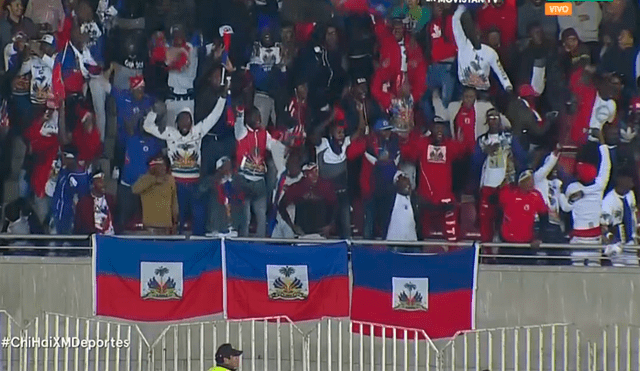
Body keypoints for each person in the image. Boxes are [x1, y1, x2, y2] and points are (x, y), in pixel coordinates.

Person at [142, 80, 227, 234]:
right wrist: (154, 111)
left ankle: (199, 246)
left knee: (199, 220)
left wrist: (222, 98)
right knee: (177, 220)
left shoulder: (198, 132)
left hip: (195, 185)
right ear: (177, 122)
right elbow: (147, 126)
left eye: (188, 119)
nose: (185, 122)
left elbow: (214, 117)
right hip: (176, 186)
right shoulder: (170, 133)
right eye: (182, 119)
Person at [400, 118, 469, 241]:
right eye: (436, 127)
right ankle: (419, 255)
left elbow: (463, 150)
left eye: (442, 127)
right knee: (419, 232)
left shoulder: (450, 144)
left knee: (452, 233)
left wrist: (463, 136)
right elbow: (407, 153)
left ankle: (452, 256)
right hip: (425, 197)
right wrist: (409, 137)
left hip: (445, 197)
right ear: (431, 129)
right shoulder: (422, 143)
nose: (439, 130)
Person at [472, 109, 527, 243]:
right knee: (486, 224)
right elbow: (474, 164)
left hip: (506, 185)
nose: (494, 120)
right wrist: (486, 152)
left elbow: (522, 157)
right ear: (487, 121)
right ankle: (487, 256)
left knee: (506, 221)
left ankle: (504, 253)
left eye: (496, 117)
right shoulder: (482, 140)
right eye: (490, 117)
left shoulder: (509, 138)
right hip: (487, 186)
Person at [234, 106, 286, 237]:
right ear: (247, 118)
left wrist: (286, 146)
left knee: (261, 216)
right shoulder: (242, 132)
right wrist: (240, 112)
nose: (258, 119)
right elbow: (238, 123)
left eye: (259, 116)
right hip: (244, 180)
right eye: (255, 116)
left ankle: (260, 244)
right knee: (245, 218)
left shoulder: (263, 133)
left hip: (259, 181)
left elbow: (273, 145)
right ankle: (243, 245)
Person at [563, 144, 611, 266]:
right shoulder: (598, 186)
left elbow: (566, 208)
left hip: (586, 238)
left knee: (584, 273)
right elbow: (606, 166)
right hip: (586, 238)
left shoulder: (574, 188)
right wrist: (603, 146)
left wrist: (572, 199)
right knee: (587, 275)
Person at [452, 5, 512, 93]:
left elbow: (501, 73)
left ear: (479, 33)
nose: (474, 33)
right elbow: (455, 22)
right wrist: (462, 7)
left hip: (483, 91)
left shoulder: (490, 52)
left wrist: (508, 86)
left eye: (475, 31)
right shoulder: (463, 44)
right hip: (464, 88)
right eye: (470, 30)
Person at [498, 170, 549, 264]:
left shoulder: (536, 196)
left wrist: (539, 237)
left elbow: (544, 218)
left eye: (532, 180)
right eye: (529, 180)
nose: (532, 183)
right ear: (521, 182)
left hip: (527, 244)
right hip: (508, 244)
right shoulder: (508, 193)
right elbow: (497, 212)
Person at [278, 163, 338, 237]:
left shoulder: (325, 186)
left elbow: (336, 206)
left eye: (316, 171)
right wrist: (292, 226)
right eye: (311, 173)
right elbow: (281, 206)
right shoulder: (297, 188)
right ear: (305, 174)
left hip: (322, 233)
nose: (314, 175)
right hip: (302, 234)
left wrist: (330, 226)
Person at [132, 155, 179, 235]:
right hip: (150, 226)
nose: (163, 168)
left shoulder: (170, 180)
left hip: (166, 226)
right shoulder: (145, 179)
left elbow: (174, 203)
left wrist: (175, 222)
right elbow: (135, 189)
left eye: (164, 165)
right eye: (160, 166)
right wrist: (154, 179)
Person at [601, 170, 639, 267]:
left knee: (634, 273)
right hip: (617, 245)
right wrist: (611, 240)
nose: (632, 182)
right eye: (630, 179)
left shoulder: (630, 195)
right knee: (619, 273)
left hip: (631, 243)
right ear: (621, 180)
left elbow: (633, 215)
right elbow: (603, 227)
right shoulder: (608, 201)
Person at [49, 145, 90, 235]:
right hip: (56, 214)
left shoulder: (81, 176)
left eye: (64, 156)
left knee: (66, 244)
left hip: (68, 218)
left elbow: (81, 201)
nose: (63, 159)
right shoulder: (63, 171)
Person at [385, 171, 419, 241]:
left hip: (412, 240)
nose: (406, 184)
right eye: (403, 179)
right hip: (394, 240)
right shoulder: (391, 199)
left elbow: (418, 220)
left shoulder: (414, 199)